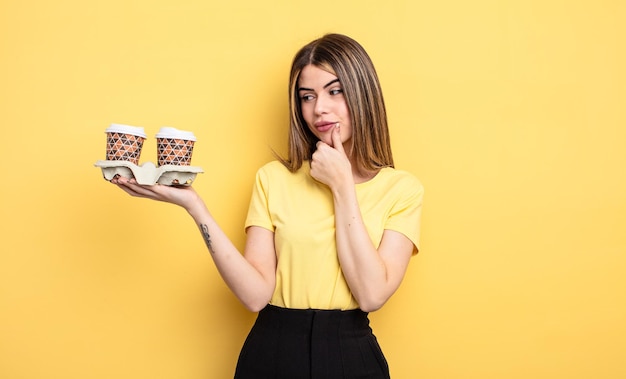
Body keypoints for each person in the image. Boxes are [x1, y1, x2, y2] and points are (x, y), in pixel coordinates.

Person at [113, 33, 424, 379]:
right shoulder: (273, 178)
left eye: (334, 91)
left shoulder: (402, 189)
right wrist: (195, 207)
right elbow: (255, 296)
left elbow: (371, 295)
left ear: (363, 93)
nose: (319, 108)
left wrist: (341, 186)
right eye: (307, 97)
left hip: (350, 357)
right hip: (272, 352)